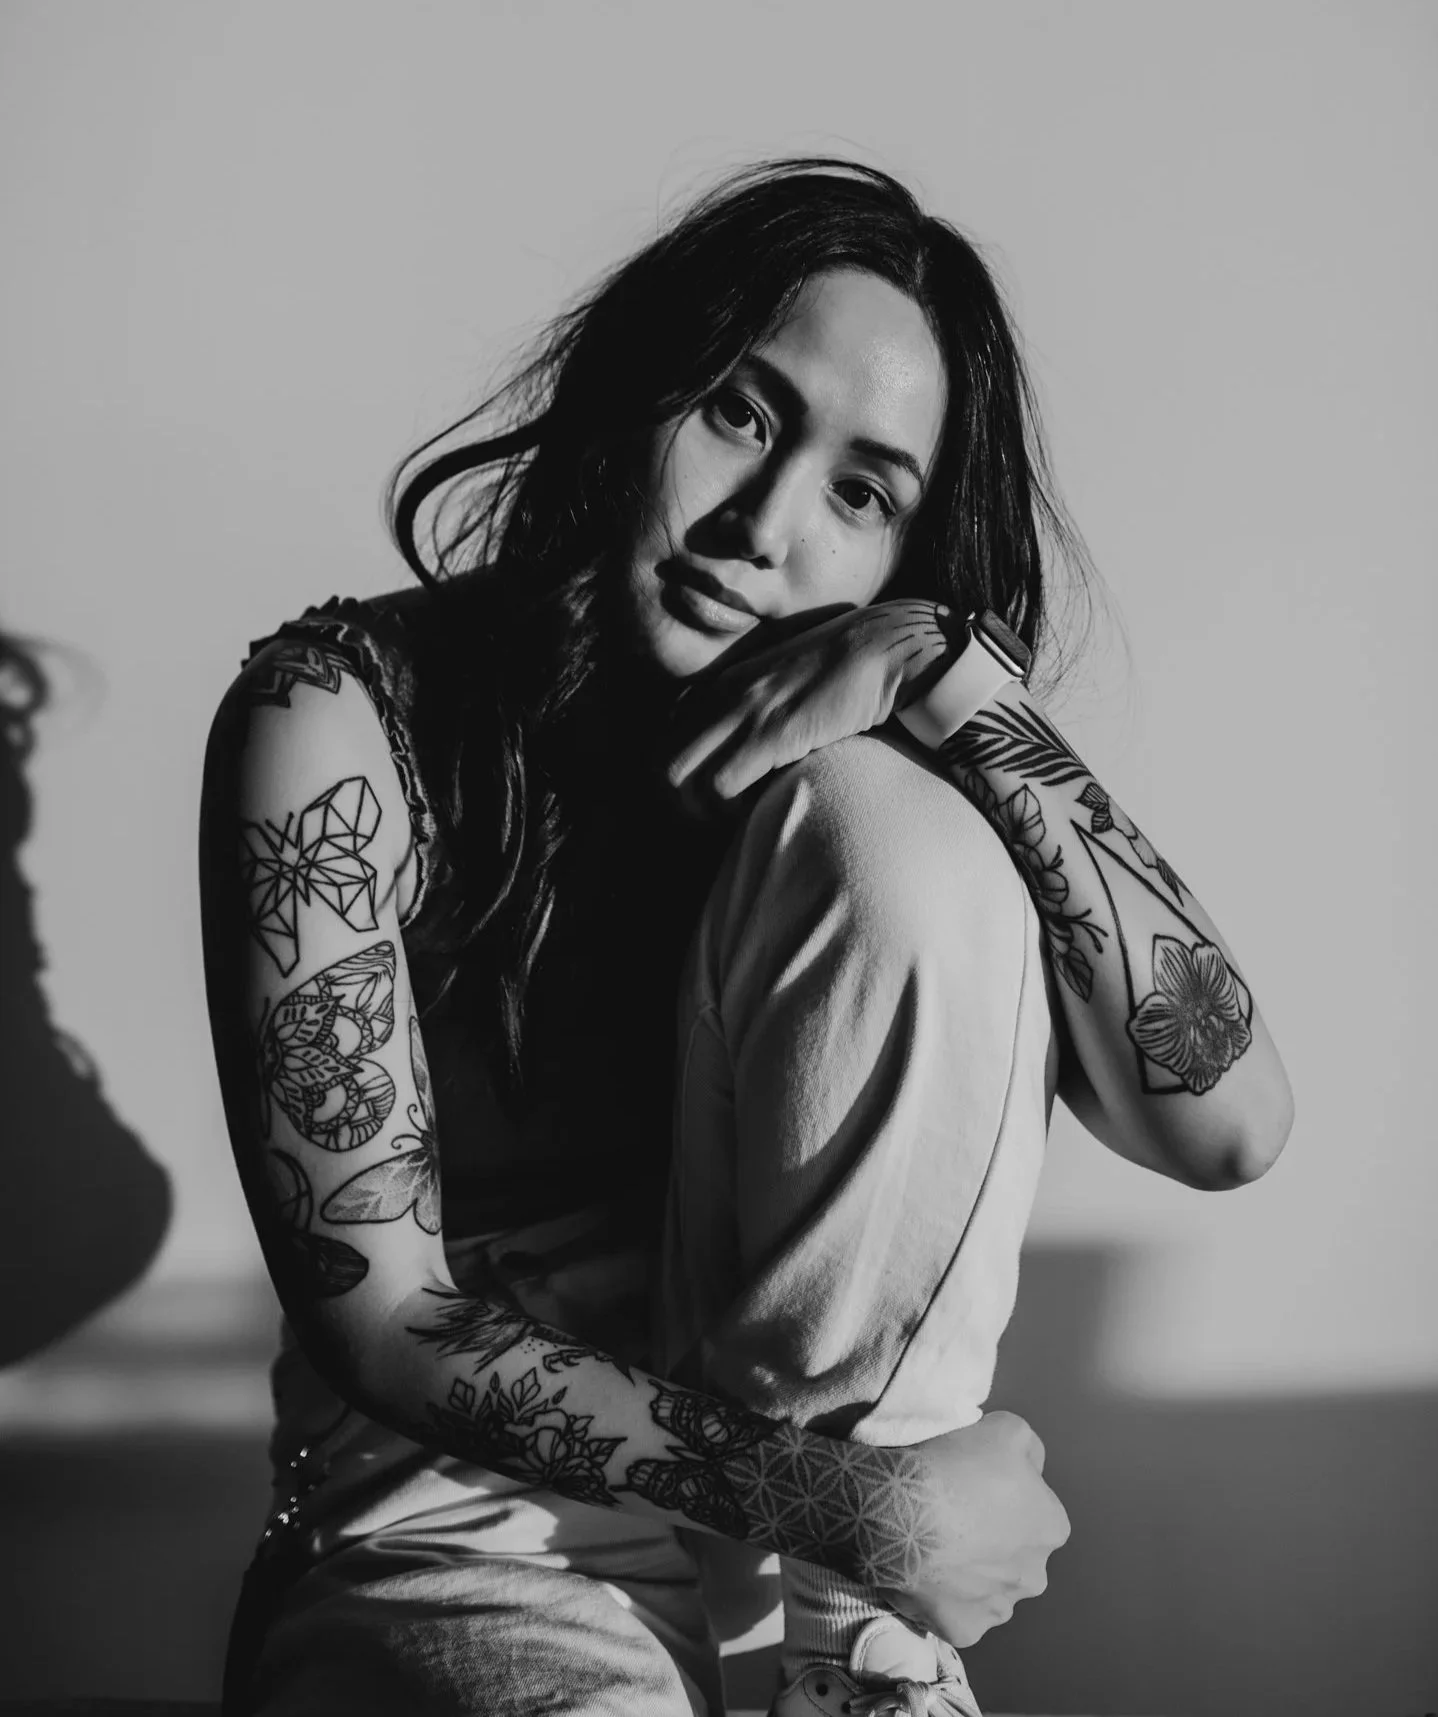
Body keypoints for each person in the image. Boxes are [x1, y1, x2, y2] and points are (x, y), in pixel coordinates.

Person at [199, 158, 1294, 1717]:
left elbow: (1231, 1127)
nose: (760, 526)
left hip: (815, 1583)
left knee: (908, 829)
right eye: (738, 411)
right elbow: (380, 1317)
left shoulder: (876, 782)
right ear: (634, 387)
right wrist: (872, 1510)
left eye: (863, 493)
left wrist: (957, 680)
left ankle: (854, 1658)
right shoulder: (342, 719)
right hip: (466, 1540)